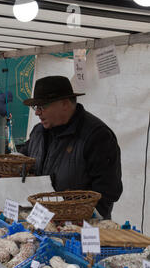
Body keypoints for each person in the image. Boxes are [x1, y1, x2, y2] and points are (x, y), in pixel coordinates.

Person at [19, 75, 123, 220]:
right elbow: (22, 162)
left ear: (65, 104)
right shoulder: (38, 132)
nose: (37, 112)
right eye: (36, 107)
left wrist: (76, 219)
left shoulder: (97, 136)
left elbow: (108, 191)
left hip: (81, 227)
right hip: (41, 220)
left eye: (43, 106)